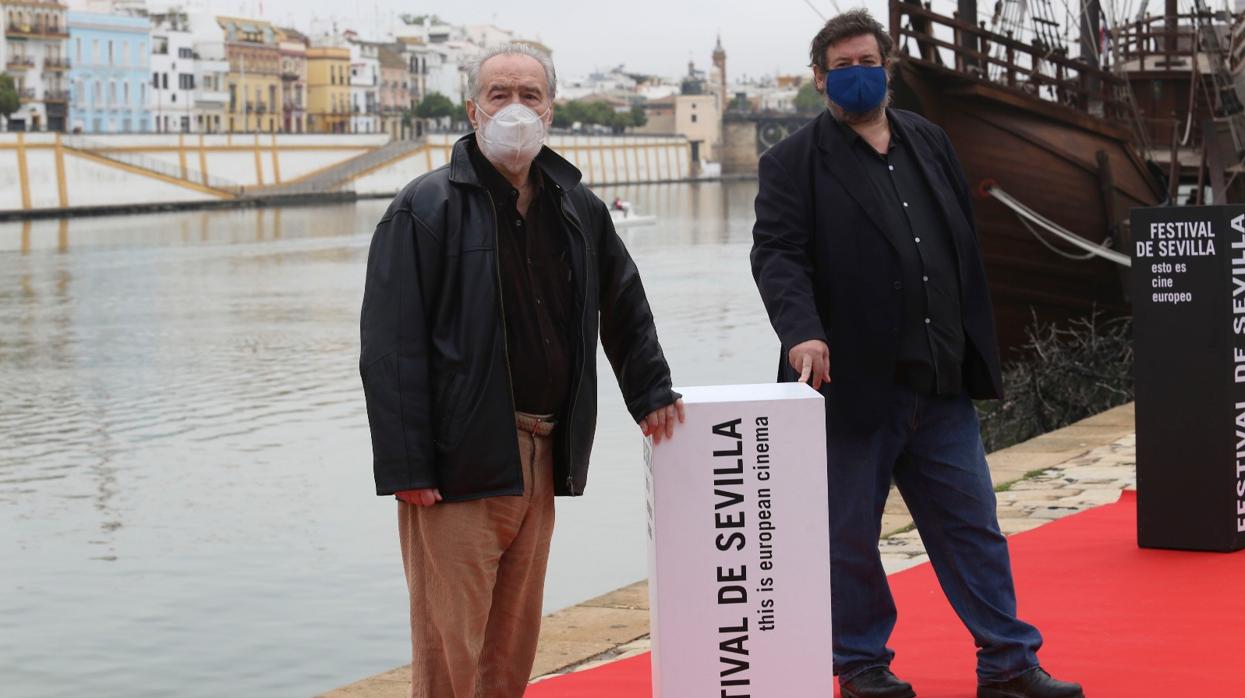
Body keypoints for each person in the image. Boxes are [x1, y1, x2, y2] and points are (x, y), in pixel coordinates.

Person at [749, 10, 1082, 698]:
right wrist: (801, 329)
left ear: (889, 65)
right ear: (819, 79)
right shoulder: (791, 163)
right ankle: (862, 665)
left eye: (865, 60)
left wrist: (974, 344)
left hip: (939, 381)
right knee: (848, 535)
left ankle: (1008, 664)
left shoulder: (929, 141)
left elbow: (954, 242)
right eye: (840, 66)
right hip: (850, 384)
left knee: (973, 528)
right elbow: (777, 255)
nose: (855, 74)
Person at [359, 43, 684, 698]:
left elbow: (622, 301)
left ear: (551, 110)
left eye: (529, 96)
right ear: (472, 108)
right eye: (500, 95)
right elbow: (390, 346)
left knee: (512, 641)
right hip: (460, 460)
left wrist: (649, 389)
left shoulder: (575, 206)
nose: (515, 109)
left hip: (542, 448)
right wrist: (407, 465)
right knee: (451, 646)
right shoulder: (424, 209)